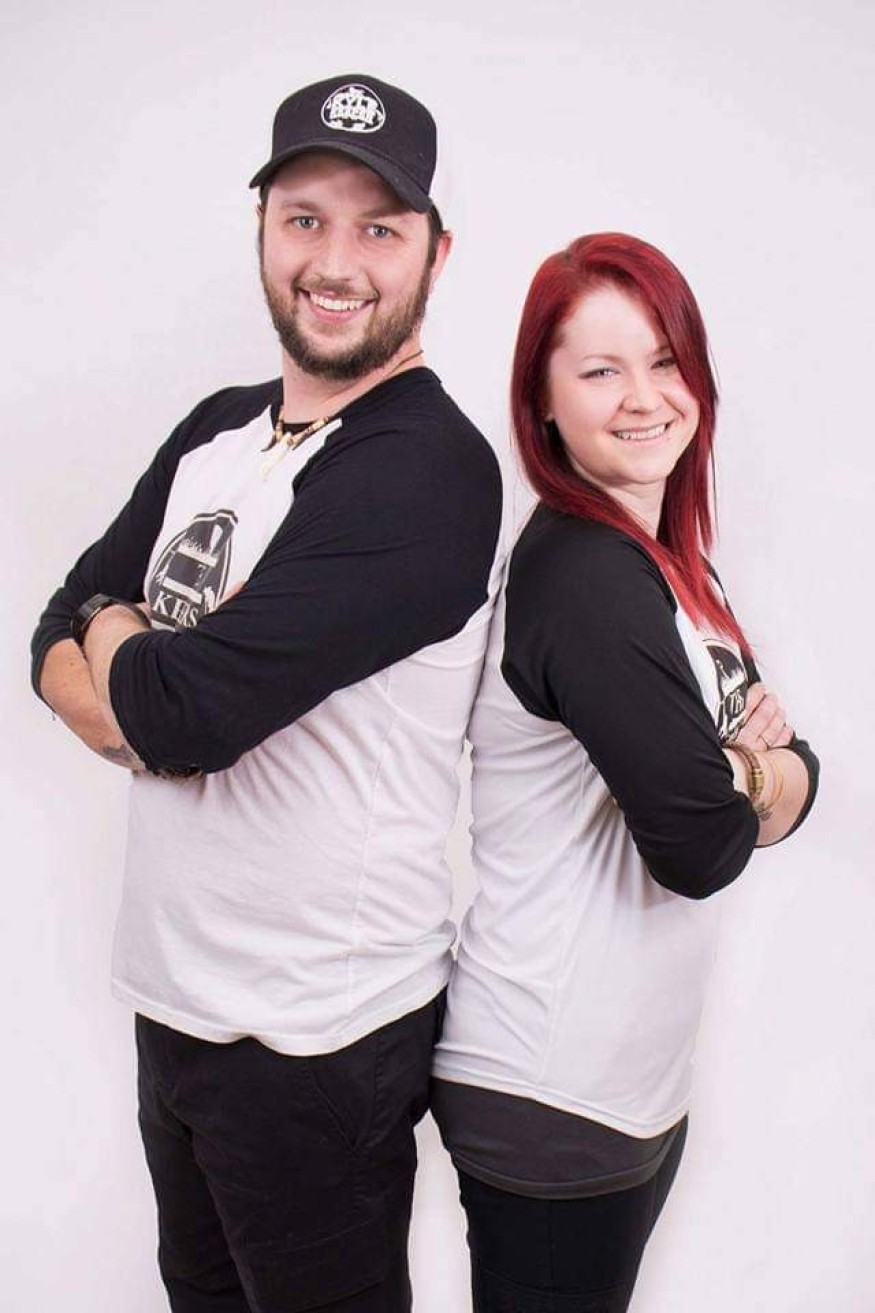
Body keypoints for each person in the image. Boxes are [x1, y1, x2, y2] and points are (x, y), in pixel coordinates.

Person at [31, 74, 502, 1313]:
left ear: (435, 253)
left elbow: (182, 708)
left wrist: (123, 639)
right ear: (260, 229)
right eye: (303, 219)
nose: (334, 263)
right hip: (174, 1000)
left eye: (377, 227)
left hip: (315, 1036)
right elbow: (48, 636)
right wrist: (140, 680)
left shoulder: (429, 471)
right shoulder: (218, 430)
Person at [431, 232, 819, 1312]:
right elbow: (698, 843)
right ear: (542, 401)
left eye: (664, 359)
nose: (644, 397)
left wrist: (748, 769)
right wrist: (754, 770)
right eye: (600, 369)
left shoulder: (672, 566)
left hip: (626, 1080)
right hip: (552, 1085)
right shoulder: (583, 574)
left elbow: (792, 766)